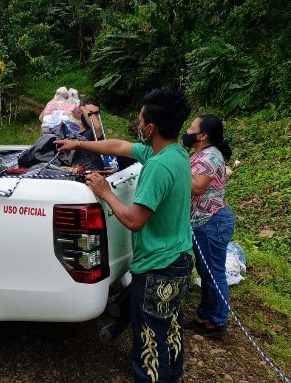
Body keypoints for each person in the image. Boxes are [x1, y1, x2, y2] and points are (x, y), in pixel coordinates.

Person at [56, 85, 194, 383]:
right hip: (180, 261)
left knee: (148, 340)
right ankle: (173, 375)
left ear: (152, 127)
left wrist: (105, 193)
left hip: (159, 268)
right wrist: (76, 144)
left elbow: (134, 220)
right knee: (170, 327)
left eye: (141, 121)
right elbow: (119, 146)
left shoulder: (157, 167)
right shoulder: (175, 153)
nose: (138, 125)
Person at [183, 114, 235, 337]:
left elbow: (196, 187)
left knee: (214, 273)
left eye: (192, 128)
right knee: (206, 273)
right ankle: (203, 316)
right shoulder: (201, 154)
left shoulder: (211, 157)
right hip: (204, 221)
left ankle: (217, 321)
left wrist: (173, 167)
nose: (187, 130)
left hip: (212, 221)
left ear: (203, 135)